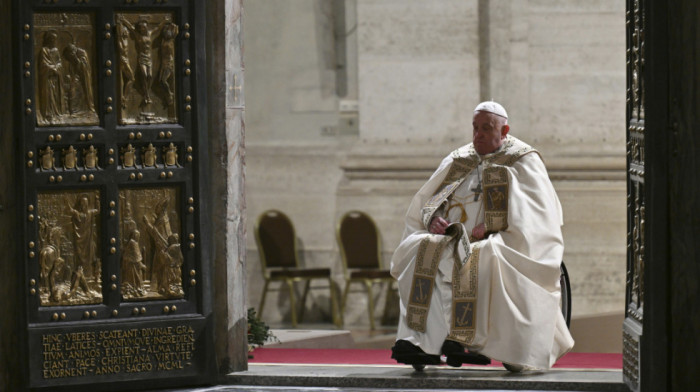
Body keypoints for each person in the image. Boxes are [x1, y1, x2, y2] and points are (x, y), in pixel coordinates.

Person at [390, 101, 574, 371]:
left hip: (500, 240)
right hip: (451, 238)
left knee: (480, 255)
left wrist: (492, 225)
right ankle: (421, 343)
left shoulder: (523, 159)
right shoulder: (460, 158)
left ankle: (464, 340)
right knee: (419, 248)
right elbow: (429, 201)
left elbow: (538, 214)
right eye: (475, 128)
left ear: (504, 130)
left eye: (486, 129)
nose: (477, 135)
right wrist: (434, 219)